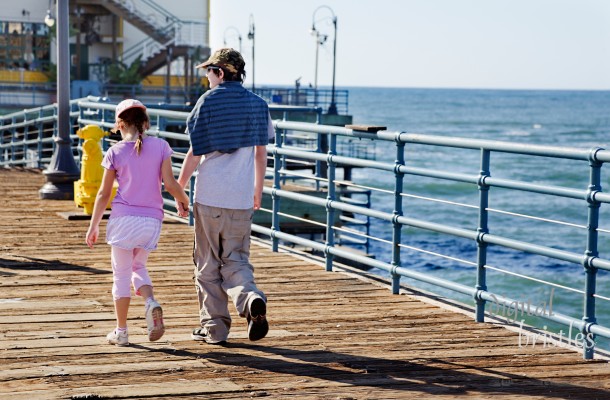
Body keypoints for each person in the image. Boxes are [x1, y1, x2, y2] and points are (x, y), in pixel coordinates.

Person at [177, 48, 273, 344]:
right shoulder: (258, 105)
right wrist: (258, 189)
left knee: (206, 264)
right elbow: (261, 152)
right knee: (236, 260)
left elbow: (196, 151)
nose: (207, 77)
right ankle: (250, 298)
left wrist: (179, 187)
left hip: (209, 197)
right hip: (241, 198)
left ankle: (215, 328)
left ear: (220, 72)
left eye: (209, 71)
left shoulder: (208, 102)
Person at [86, 99, 190, 346]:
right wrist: (185, 201)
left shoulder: (114, 152)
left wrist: (94, 225)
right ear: (145, 123)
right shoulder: (162, 146)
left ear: (120, 124)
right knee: (138, 267)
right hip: (151, 221)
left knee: (121, 275)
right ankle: (150, 302)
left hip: (123, 221)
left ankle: (121, 331)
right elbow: (170, 184)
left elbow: (103, 194)